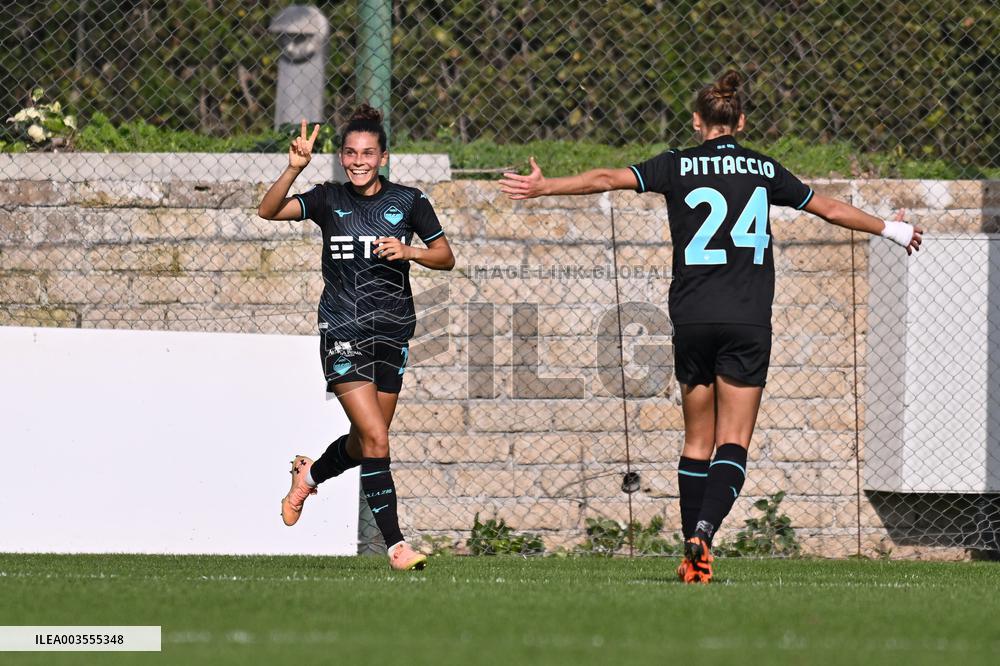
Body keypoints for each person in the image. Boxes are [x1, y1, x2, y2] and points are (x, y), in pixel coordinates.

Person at [499, 70, 921, 583]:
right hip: (746, 319)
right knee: (733, 441)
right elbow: (827, 208)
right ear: (740, 121)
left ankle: (688, 553)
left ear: (697, 122)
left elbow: (607, 178)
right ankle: (704, 532)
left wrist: (544, 188)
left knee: (696, 441)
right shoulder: (764, 168)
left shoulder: (676, 164)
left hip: (692, 317)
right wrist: (893, 228)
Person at [257, 104, 455, 571]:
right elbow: (268, 210)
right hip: (343, 329)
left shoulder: (410, 201)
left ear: (383, 157)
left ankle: (310, 474)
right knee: (375, 439)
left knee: (368, 440)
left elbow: (446, 256)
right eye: (350, 153)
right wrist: (293, 167)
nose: (358, 160)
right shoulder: (328, 198)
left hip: (393, 330)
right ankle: (397, 546)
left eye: (368, 152)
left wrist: (410, 251)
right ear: (342, 157)